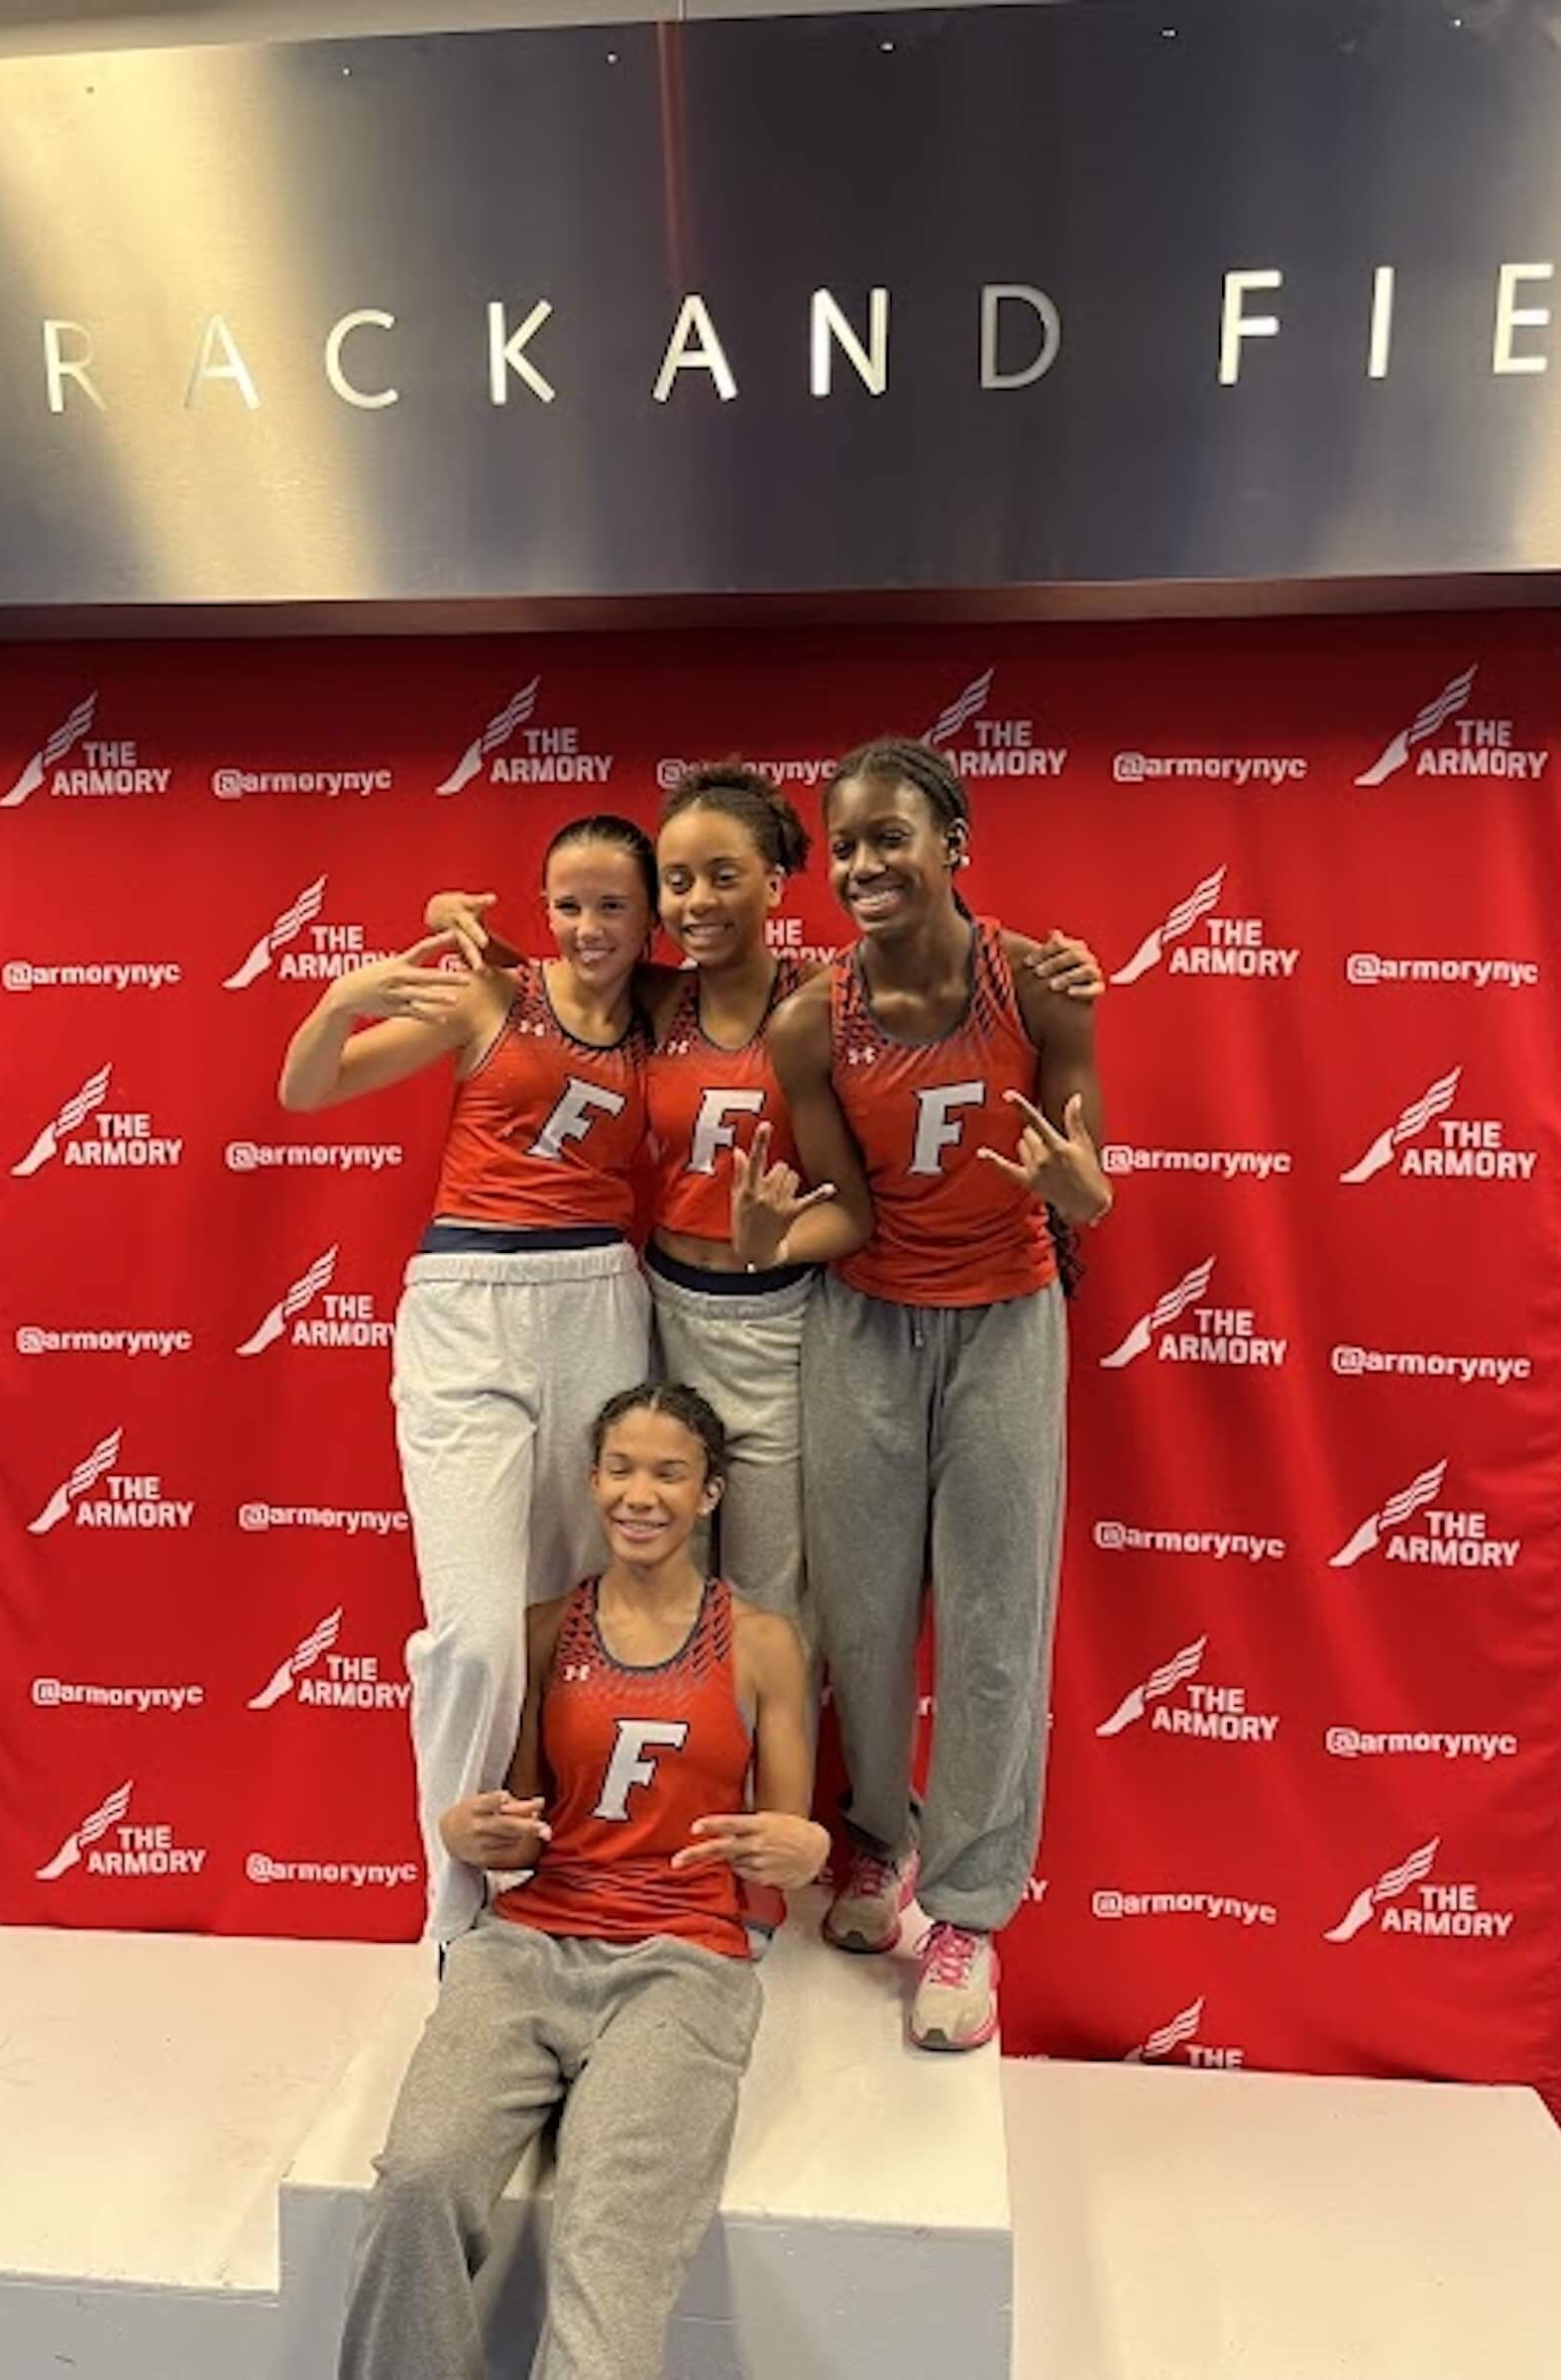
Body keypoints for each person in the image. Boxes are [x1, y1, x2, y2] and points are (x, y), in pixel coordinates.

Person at [426, 763, 1103, 1637]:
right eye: (676, 883)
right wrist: (450, 922)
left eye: (723, 876)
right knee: (666, 1578)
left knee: (774, 1592)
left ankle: (777, 1774)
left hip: (783, 1320)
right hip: (666, 1315)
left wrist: (1057, 967)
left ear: (777, 883)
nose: (697, 902)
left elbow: (885, 1148)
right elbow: (555, 985)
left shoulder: (823, 1004)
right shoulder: (661, 997)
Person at [732, 735, 1113, 2054]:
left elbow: (1088, 1171)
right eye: (842, 845)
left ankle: (966, 1912)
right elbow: (839, 1209)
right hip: (865, 1328)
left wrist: (1087, 1194)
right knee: (865, 1608)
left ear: (953, 841)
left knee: (999, 1619)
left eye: (889, 835)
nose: (862, 864)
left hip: (1007, 1322)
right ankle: (879, 1844)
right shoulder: (805, 1020)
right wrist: (774, 1242)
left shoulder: (1042, 985)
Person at [336, 1381, 825, 2380]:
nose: (640, 1494)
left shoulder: (764, 1641)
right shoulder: (544, 1628)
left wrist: (804, 1850)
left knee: (611, 2232)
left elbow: (788, 1838)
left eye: (668, 1473)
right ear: (592, 1482)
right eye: (620, 1469)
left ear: (711, 1494)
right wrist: (469, 1831)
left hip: (683, 1963)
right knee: (419, 2180)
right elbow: (522, 1827)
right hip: (530, 1946)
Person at [278, 816, 657, 1947]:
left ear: (647, 919)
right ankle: (456, 1909)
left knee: (583, 1624)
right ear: (544, 910)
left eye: (612, 907)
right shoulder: (493, 996)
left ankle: (574, 1882)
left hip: (601, 1302)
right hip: (468, 1304)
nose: (589, 928)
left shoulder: (670, 1012)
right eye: (570, 904)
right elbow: (309, 1089)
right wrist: (346, 995)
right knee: (479, 1637)